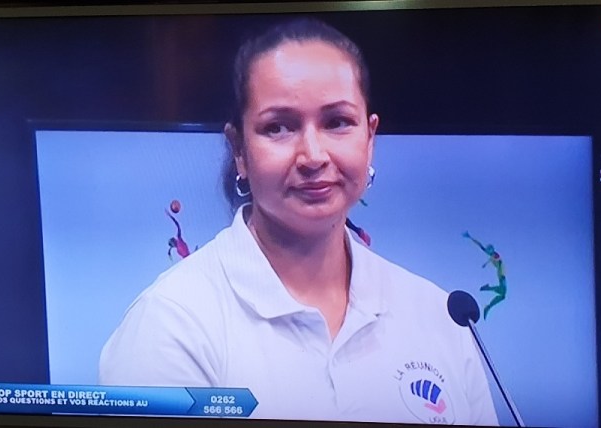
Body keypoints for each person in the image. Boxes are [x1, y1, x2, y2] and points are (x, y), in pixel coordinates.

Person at [99, 18, 498, 426]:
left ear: (370, 137)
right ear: (239, 150)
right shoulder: (170, 325)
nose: (313, 156)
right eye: (279, 127)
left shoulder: (441, 316)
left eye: (337, 122)